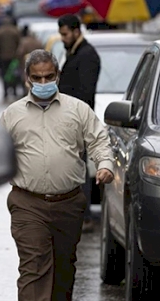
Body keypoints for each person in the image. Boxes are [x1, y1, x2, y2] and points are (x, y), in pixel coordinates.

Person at [0, 50, 114, 301]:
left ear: (58, 76)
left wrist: (105, 164)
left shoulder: (78, 110)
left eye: (48, 77)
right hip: (27, 204)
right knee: (34, 267)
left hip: (69, 203)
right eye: (36, 78)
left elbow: (99, 141)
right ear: (27, 79)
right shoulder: (12, 115)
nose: (42, 83)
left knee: (64, 269)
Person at [57, 14, 101, 233]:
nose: (63, 38)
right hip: (68, 121)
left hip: (77, 123)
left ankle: (83, 217)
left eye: (65, 34)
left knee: (78, 171)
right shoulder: (75, 53)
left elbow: (84, 93)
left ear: (76, 31)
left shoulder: (87, 56)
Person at [0, 18, 22, 99]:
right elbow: (19, 42)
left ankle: (5, 91)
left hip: (2, 56)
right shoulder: (15, 31)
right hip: (14, 56)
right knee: (14, 74)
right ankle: (14, 90)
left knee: (4, 74)